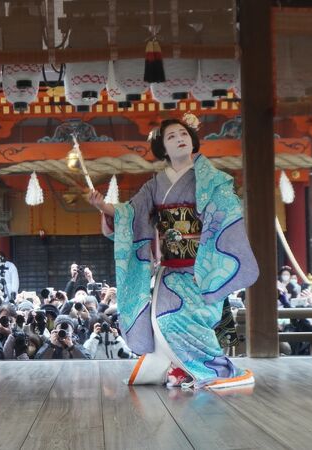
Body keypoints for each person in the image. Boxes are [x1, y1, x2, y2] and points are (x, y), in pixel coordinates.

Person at [88, 114, 259, 389]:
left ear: (192, 141)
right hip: (171, 267)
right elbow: (132, 212)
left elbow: (227, 213)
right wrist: (104, 208)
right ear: (163, 149)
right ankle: (183, 369)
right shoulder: (155, 184)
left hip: (203, 265)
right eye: (171, 137)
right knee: (164, 318)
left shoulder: (213, 180)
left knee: (194, 319)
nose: (179, 139)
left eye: (183, 134)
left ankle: (217, 369)